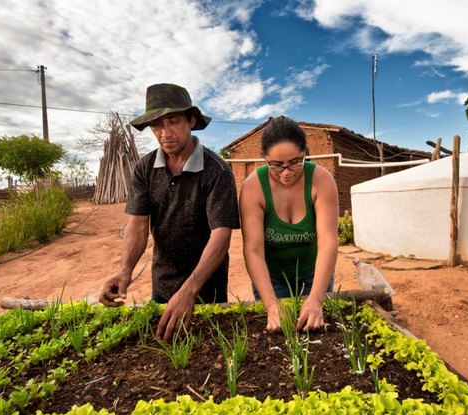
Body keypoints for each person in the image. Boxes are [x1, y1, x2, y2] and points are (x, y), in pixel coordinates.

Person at [99, 83, 240, 341]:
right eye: (156, 126)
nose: (165, 133)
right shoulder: (145, 168)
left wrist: (190, 290)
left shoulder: (216, 170)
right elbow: (138, 225)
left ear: (191, 120)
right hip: (163, 280)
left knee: (208, 349)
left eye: (173, 122)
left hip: (206, 286)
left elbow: (221, 236)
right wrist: (125, 271)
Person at [239, 116, 339, 332]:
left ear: (306, 154)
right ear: (264, 159)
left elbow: (328, 241)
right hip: (272, 278)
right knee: (279, 331)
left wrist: (316, 299)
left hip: (315, 274)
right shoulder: (253, 187)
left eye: (295, 162)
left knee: (315, 331)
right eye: (276, 165)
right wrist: (270, 303)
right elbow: (253, 250)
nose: (286, 172)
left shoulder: (322, 180)